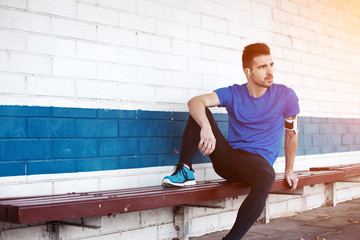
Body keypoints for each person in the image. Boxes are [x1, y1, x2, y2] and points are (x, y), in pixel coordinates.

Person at [162, 43, 300, 239]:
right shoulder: (234, 93)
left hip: (259, 165)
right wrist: (206, 127)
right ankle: (185, 169)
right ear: (248, 72)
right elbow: (195, 101)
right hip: (230, 160)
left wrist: (289, 170)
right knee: (200, 112)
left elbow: (291, 134)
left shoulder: (286, 95)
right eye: (262, 67)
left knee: (266, 175)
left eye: (271, 65)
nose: (270, 71)